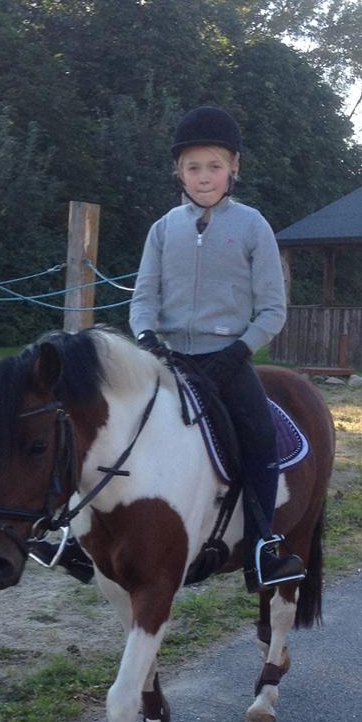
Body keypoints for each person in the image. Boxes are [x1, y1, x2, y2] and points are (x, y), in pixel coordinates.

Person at [129, 105, 304, 591]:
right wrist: (146, 338)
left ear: (234, 169)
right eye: (193, 167)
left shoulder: (252, 227)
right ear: (178, 172)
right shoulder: (163, 229)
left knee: (258, 435)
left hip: (228, 361)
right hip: (168, 360)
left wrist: (239, 350)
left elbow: (273, 309)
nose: (203, 177)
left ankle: (264, 546)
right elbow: (143, 298)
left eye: (214, 166)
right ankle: (82, 535)